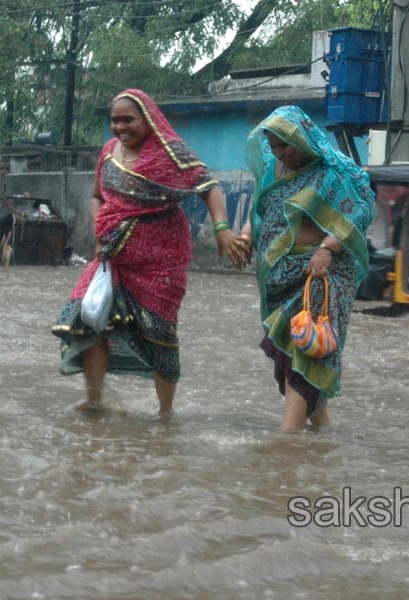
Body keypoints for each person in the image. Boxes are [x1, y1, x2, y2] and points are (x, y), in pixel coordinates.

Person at [52, 89, 241, 415]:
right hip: (112, 256)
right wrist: (100, 229)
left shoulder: (171, 154)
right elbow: (97, 197)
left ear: (149, 119)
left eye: (129, 120)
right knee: (89, 319)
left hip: (161, 264)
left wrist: (222, 229)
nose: (120, 127)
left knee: (160, 335)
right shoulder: (109, 152)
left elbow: (209, 187)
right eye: (115, 120)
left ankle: (165, 413)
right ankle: (95, 399)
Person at [227, 106, 375, 432]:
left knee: (304, 350)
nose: (280, 153)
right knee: (289, 351)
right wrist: (247, 236)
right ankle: (322, 429)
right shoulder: (273, 170)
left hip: (320, 274)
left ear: (302, 137)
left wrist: (327, 247)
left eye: (285, 145)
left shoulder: (335, 172)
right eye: (274, 145)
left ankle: (288, 437)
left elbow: (359, 213)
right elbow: (262, 209)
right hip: (279, 277)